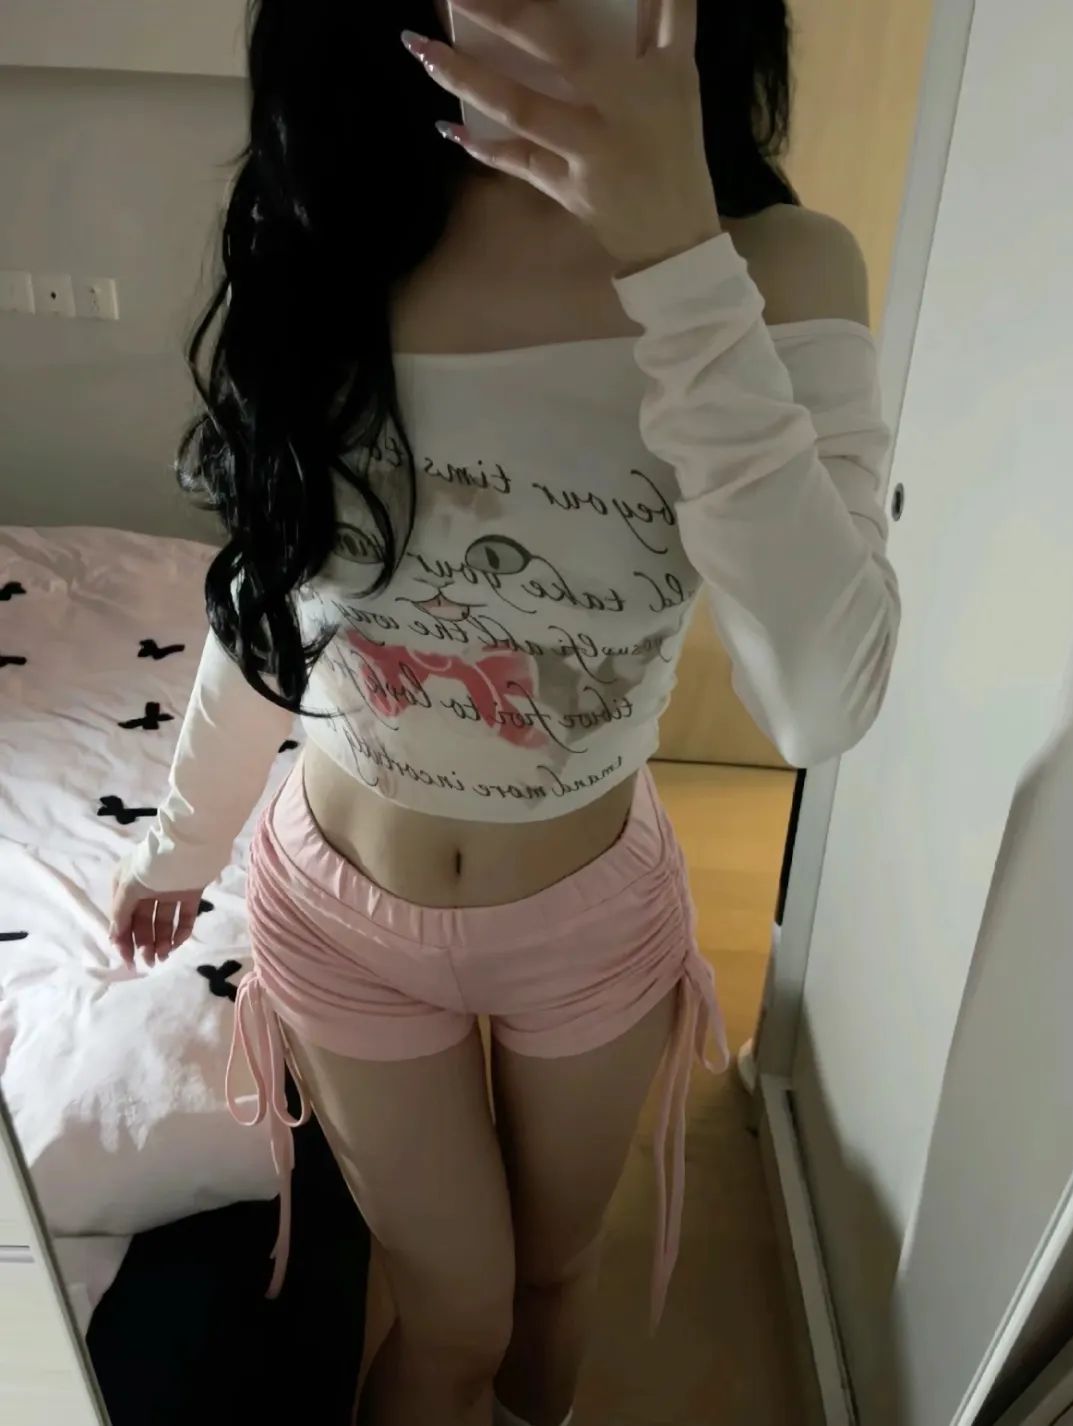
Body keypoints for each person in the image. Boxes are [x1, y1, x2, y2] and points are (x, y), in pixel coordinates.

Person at [108, 1, 900, 1423]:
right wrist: (180, 843)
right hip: (340, 914)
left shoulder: (782, 271)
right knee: (454, 1312)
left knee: (552, 1280)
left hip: (587, 922)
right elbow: (272, 598)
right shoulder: (340, 234)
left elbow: (818, 702)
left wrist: (679, 261)